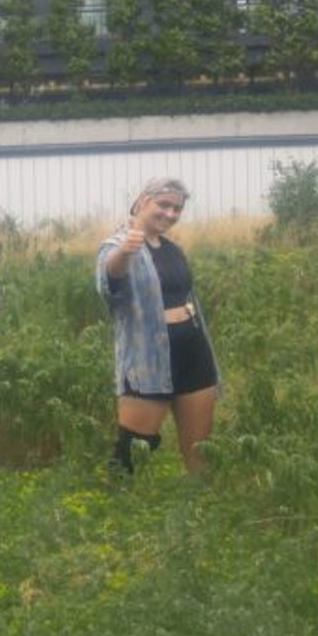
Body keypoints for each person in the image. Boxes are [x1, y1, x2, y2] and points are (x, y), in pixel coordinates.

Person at [95, 176, 220, 475]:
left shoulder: (172, 249)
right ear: (142, 201)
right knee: (131, 453)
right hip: (147, 361)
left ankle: (198, 509)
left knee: (200, 452)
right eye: (163, 205)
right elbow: (109, 282)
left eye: (177, 209)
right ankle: (117, 513)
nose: (170, 214)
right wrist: (126, 251)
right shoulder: (116, 245)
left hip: (194, 355)